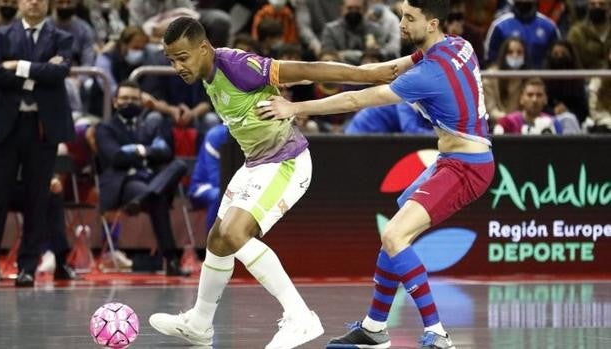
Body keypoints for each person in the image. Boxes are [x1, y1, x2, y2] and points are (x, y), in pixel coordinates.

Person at [148, 16, 400, 349]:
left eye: (183, 57)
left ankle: (300, 317)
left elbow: (309, 69)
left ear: (205, 48)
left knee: (236, 235)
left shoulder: (238, 65)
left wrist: (370, 74)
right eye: (171, 59)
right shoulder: (205, 73)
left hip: (286, 162)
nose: (178, 66)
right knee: (219, 240)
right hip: (256, 163)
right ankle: (199, 323)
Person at [258, 1, 494, 348]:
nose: (401, 24)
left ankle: (438, 334)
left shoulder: (427, 74)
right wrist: (318, 72)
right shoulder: (458, 45)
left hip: (467, 169)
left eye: (409, 19)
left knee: (396, 236)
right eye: (401, 15)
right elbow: (380, 71)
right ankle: (373, 327)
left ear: (431, 24)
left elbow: (357, 101)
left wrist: (294, 106)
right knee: (396, 228)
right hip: (456, 159)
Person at [0, 0, 75, 287]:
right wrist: (38, 73)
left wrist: (20, 66)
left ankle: (27, 266)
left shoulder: (62, 37)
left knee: (37, 199)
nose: (35, 2)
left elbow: (59, 73)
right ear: (19, 3)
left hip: (41, 129)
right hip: (5, 128)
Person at [95, 80, 191, 276]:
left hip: (151, 180)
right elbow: (116, 157)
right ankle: (171, 261)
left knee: (179, 165)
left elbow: (166, 153)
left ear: (141, 101)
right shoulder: (105, 127)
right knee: (159, 199)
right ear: (115, 102)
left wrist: (135, 151)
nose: (129, 102)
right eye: (124, 99)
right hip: (124, 183)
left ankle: (145, 198)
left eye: (134, 99)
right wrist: (147, 151)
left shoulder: (149, 123)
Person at [484, 0, 561, 68]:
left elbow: (558, 58)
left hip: (541, 80)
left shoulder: (549, 26)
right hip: (506, 79)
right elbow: (490, 60)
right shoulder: (500, 26)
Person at [493, 77, 581, 135]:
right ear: (521, 99)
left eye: (539, 95)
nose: (534, 99)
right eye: (530, 95)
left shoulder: (554, 123)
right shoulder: (508, 122)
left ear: (545, 99)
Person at [187, 123, 229, 232]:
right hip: (201, 187)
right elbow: (216, 179)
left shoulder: (249, 137)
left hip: (229, 188)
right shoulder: (215, 135)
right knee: (219, 195)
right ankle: (212, 244)